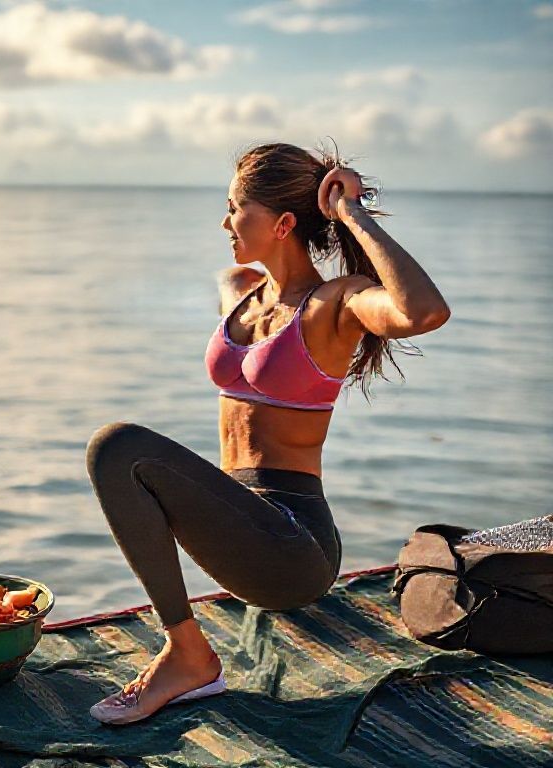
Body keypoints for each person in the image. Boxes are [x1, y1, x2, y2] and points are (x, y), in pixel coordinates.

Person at [85, 141, 451, 725]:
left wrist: (350, 214)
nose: (225, 221)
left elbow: (424, 311)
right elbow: (230, 271)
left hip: (292, 543)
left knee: (119, 447)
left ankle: (187, 656)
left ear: (283, 224)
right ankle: (188, 653)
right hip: (241, 523)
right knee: (118, 452)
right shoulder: (244, 295)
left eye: (237, 209)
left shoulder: (337, 304)